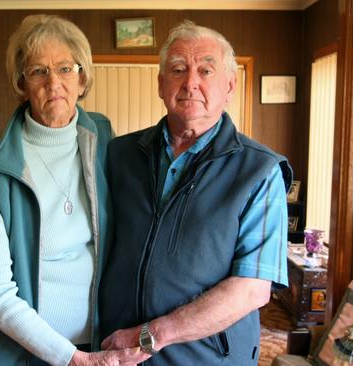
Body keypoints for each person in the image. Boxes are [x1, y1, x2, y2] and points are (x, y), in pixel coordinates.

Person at [99, 20, 292, 365]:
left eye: (206, 70)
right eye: (178, 69)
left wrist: (149, 336)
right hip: (117, 351)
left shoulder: (259, 172)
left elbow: (252, 288)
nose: (191, 82)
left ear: (230, 85)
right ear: (161, 84)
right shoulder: (119, 154)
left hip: (205, 358)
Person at [0, 14, 149, 366]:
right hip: (24, 352)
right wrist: (71, 359)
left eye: (65, 68)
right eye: (38, 71)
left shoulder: (104, 140)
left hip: (99, 337)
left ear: (82, 79)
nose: (54, 83)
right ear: (22, 84)